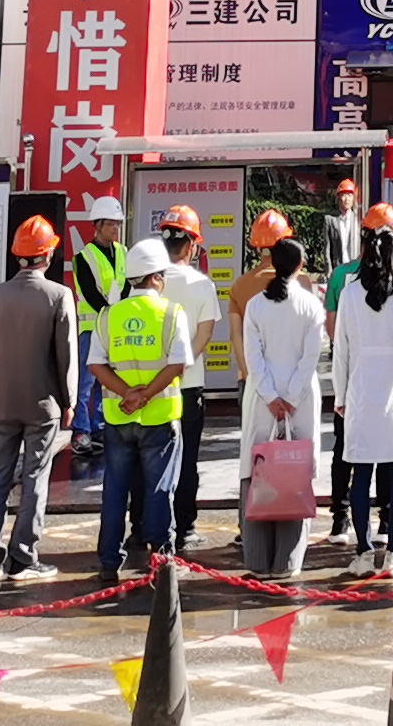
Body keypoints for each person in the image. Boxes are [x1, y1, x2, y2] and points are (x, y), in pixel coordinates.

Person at [0, 212, 77, 583]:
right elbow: (66, 356)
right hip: (42, 404)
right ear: (48, 254)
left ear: (17, 255)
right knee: (35, 479)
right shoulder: (58, 296)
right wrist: (69, 401)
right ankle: (23, 557)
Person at [93, 237, 194, 580]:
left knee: (115, 491)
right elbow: (178, 364)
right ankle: (161, 559)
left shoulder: (109, 315)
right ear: (155, 277)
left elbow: (96, 364)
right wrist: (147, 395)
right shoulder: (171, 313)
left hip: (118, 417)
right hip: (159, 418)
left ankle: (109, 562)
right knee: (159, 488)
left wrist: (127, 394)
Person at [331, 224, 393, 580]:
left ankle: (363, 551)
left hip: (361, 389)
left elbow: (341, 350)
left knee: (361, 471)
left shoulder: (350, 293)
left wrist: (340, 393)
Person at [239, 237, 330, 579]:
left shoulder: (255, 306)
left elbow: (253, 357)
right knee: (296, 470)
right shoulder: (310, 305)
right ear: (301, 266)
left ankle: (258, 560)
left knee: (257, 469)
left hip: (261, 400)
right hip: (300, 400)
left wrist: (269, 396)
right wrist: (290, 398)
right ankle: (288, 561)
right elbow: (310, 358)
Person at [152, 207, 224, 552]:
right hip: (189, 384)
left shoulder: (149, 280)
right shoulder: (202, 284)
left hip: (150, 386)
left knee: (151, 458)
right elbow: (205, 333)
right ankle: (184, 529)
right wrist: (183, 363)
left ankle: (148, 528)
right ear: (193, 245)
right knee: (187, 459)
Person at [67, 193, 127, 458]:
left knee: (109, 381)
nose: (115, 228)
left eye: (118, 223)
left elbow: (128, 285)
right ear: (98, 225)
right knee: (86, 382)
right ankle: (81, 431)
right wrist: (112, 311)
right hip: (92, 329)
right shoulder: (83, 257)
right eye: (111, 223)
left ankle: (100, 428)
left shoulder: (123, 252)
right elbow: (91, 294)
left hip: (115, 327)